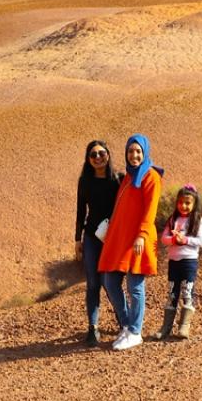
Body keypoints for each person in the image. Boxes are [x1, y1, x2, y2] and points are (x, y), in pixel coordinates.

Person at [97, 133, 164, 351]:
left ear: (145, 153)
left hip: (138, 240)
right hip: (121, 239)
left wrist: (142, 236)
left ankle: (135, 332)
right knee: (110, 281)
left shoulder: (151, 177)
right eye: (130, 151)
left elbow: (150, 211)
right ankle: (126, 325)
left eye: (138, 151)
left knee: (135, 287)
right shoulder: (128, 176)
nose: (134, 155)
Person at [74, 139, 123, 347]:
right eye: (93, 155)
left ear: (108, 155)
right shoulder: (85, 181)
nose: (97, 158)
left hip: (113, 238)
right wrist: (77, 239)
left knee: (110, 281)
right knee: (93, 283)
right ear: (88, 159)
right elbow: (80, 211)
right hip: (92, 237)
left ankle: (124, 321)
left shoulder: (118, 179)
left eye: (101, 153)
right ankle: (93, 328)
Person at [152, 184, 202, 340]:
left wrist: (185, 240)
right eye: (181, 202)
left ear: (194, 204)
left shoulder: (197, 220)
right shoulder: (172, 219)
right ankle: (166, 328)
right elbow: (164, 239)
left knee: (187, 292)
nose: (184, 205)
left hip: (189, 261)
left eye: (188, 202)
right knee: (172, 293)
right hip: (173, 261)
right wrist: (174, 239)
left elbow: (201, 241)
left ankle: (184, 326)